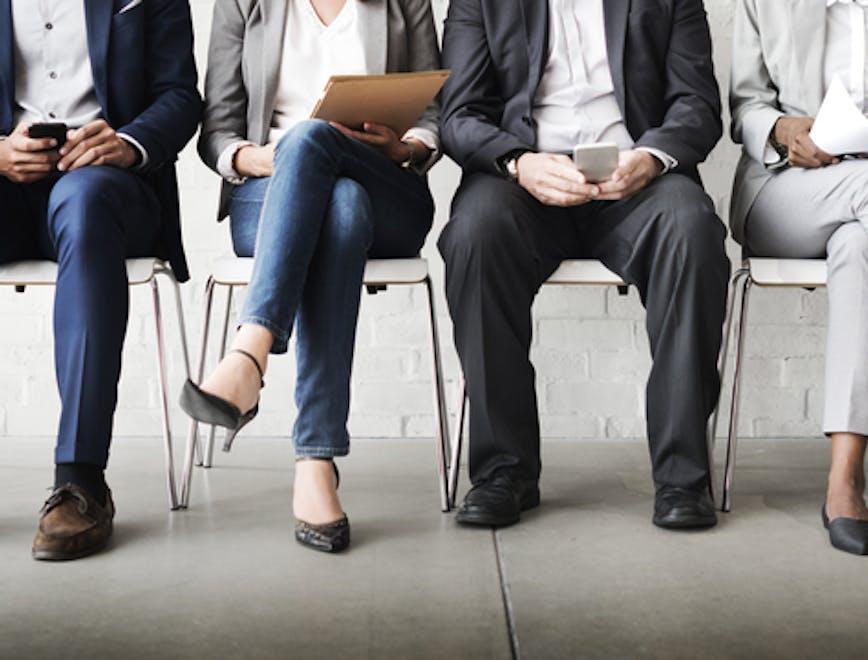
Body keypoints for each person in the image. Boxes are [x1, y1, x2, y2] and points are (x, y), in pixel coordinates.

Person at [438, 0, 729, 530]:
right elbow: (459, 114)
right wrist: (518, 162)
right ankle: (504, 471)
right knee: (475, 234)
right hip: (523, 179)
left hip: (638, 178)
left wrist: (651, 157)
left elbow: (698, 104)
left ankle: (683, 477)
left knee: (693, 231)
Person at [184, 0, 441, 554]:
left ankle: (249, 354)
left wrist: (405, 146)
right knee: (336, 202)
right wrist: (259, 158)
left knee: (317, 146)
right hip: (270, 192)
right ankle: (315, 460)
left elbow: (435, 115)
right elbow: (218, 130)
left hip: (386, 189)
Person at [0, 0, 201, 560]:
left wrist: (128, 142)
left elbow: (181, 96)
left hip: (108, 187)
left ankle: (81, 480)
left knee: (85, 204)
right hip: (8, 180)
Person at [731, 0, 868, 556]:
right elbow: (744, 105)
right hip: (785, 188)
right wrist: (784, 128)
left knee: (862, 246)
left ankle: (845, 476)